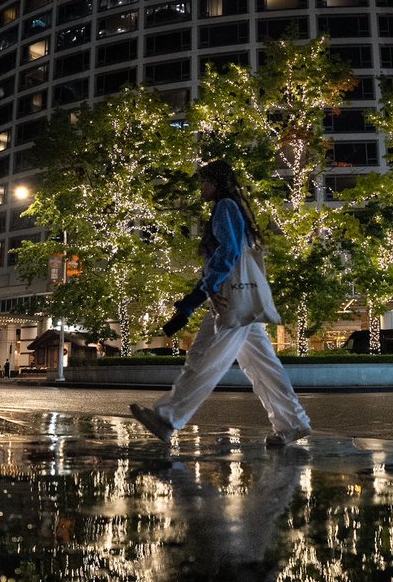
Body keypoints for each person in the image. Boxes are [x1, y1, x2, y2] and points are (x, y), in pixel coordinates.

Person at [129, 160, 312, 448]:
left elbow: (228, 251)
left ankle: (168, 418)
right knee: (264, 367)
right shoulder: (231, 206)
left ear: (216, 183)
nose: (201, 187)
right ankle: (293, 423)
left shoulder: (224, 206)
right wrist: (198, 296)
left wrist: (209, 288)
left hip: (229, 299)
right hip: (237, 301)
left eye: (204, 182)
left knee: (204, 359)